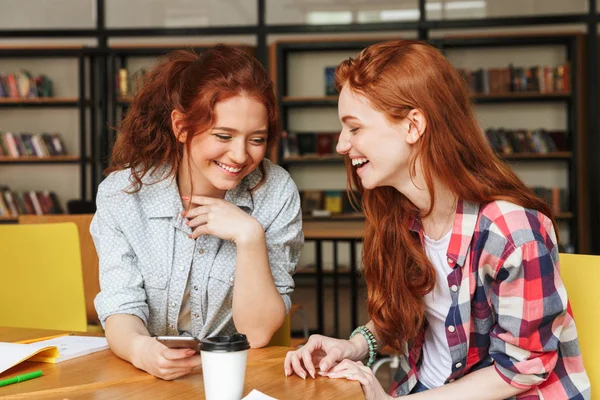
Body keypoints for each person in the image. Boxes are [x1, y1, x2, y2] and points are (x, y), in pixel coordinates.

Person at [284, 39, 590, 399]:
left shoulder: (511, 231)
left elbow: (522, 369)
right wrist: (354, 345)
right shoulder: (400, 215)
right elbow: (406, 315)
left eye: (354, 128)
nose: (340, 145)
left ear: (413, 126)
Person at [91, 45, 303, 381]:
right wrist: (141, 349)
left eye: (257, 139)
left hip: (235, 376)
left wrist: (249, 236)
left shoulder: (274, 191)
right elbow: (121, 305)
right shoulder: (123, 195)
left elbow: (258, 333)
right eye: (223, 135)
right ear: (182, 126)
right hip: (145, 377)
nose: (239, 155)